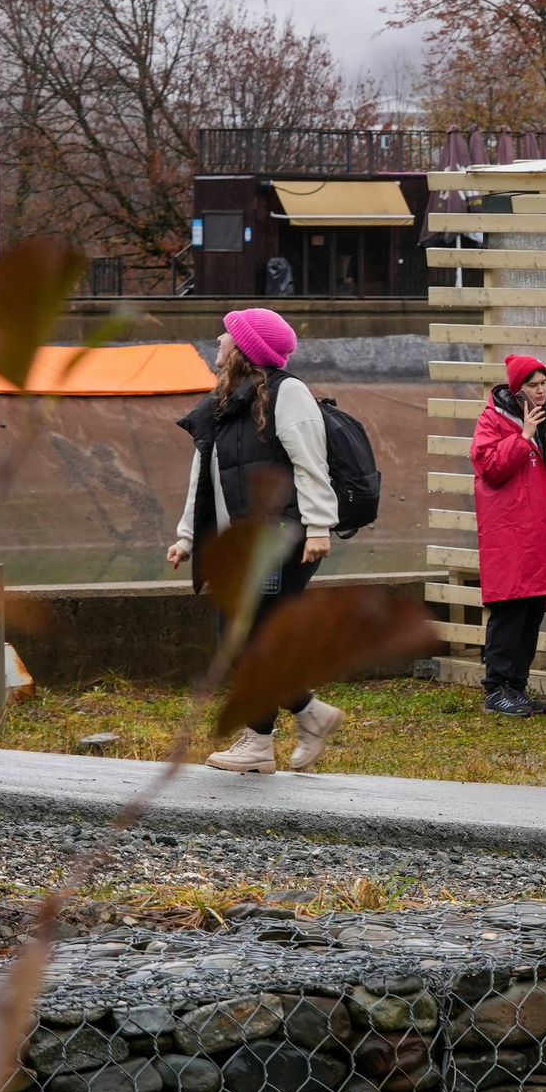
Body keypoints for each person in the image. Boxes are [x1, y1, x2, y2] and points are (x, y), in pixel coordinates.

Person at [178, 309, 347, 772]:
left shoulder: (287, 392)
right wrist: (189, 535)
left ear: (246, 351)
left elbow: (312, 462)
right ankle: (307, 715)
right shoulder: (226, 400)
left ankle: (261, 742)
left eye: (228, 335)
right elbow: (205, 475)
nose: (218, 337)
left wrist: (317, 528)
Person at [467, 354, 546, 721]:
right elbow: (489, 466)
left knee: (532, 610)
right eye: (534, 385)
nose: (542, 391)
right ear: (518, 390)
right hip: (511, 534)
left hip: (543, 534)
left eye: (544, 384)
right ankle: (497, 688)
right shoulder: (493, 419)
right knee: (510, 609)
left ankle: (516, 687)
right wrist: (523, 437)